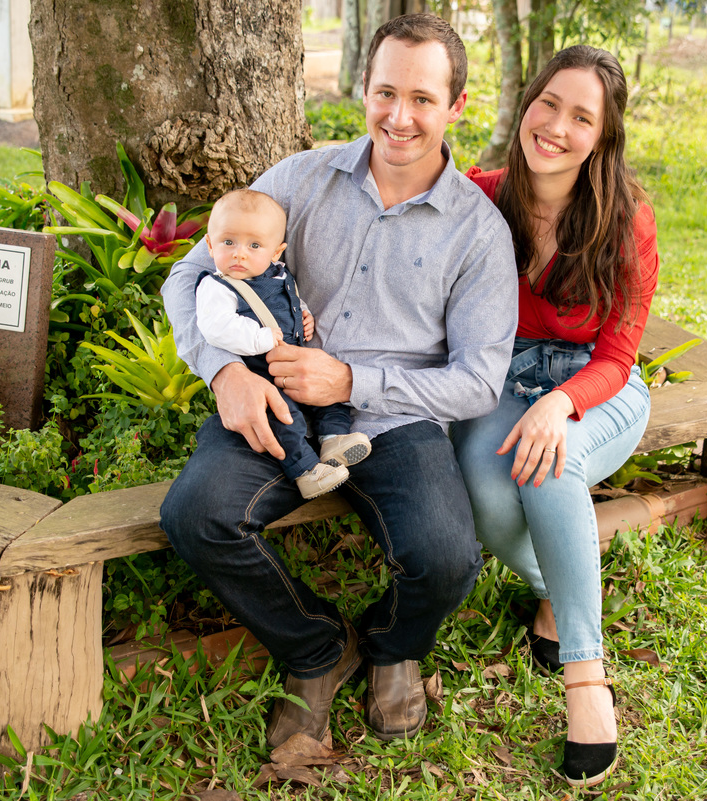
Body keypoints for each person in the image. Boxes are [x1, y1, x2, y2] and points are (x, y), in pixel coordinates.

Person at [159, 14, 517, 748]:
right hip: (279, 399)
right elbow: (187, 272)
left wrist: (353, 376)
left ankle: (393, 644)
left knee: (448, 557)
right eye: (385, 92)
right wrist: (223, 368)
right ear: (364, 89)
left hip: (393, 419)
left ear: (456, 106)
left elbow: (480, 379)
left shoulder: (479, 231)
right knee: (197, 513)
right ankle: (318, 646)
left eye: (423, 98)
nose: (400, 116)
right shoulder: (300, 179)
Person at [452, 45, 659, 787]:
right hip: (500, 383)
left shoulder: (626, 218)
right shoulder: (481, 195)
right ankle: (555, 586)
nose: (557, 127)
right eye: (549, 104)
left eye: (582, 117)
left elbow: (620, 353)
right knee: (484, 491)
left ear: (602, 137)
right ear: (526, 103)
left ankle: (585, 679)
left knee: (552, 465)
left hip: (596, 389)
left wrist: (559, 403)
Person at [194, 189, 371, 500]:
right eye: (228, 242)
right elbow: (216, 328)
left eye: (254, 245)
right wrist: (259, 337)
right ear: (210, 245)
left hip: (293, 364)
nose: (239, 254)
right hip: (260, 374)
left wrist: (304, 317)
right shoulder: (216, 286)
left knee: (328, 400)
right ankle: (306, 471)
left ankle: (333, 440)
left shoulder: (277, 275)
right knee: (282, 417)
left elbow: (289, 301)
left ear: (276, 253)